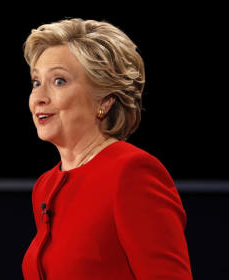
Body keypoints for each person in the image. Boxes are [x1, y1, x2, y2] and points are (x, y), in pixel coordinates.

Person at [21, 18, 193, 280]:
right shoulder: (45, 186)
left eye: (59, 81)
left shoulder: (132, 173)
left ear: (105, 99)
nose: (39, 97)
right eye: (36, 82)